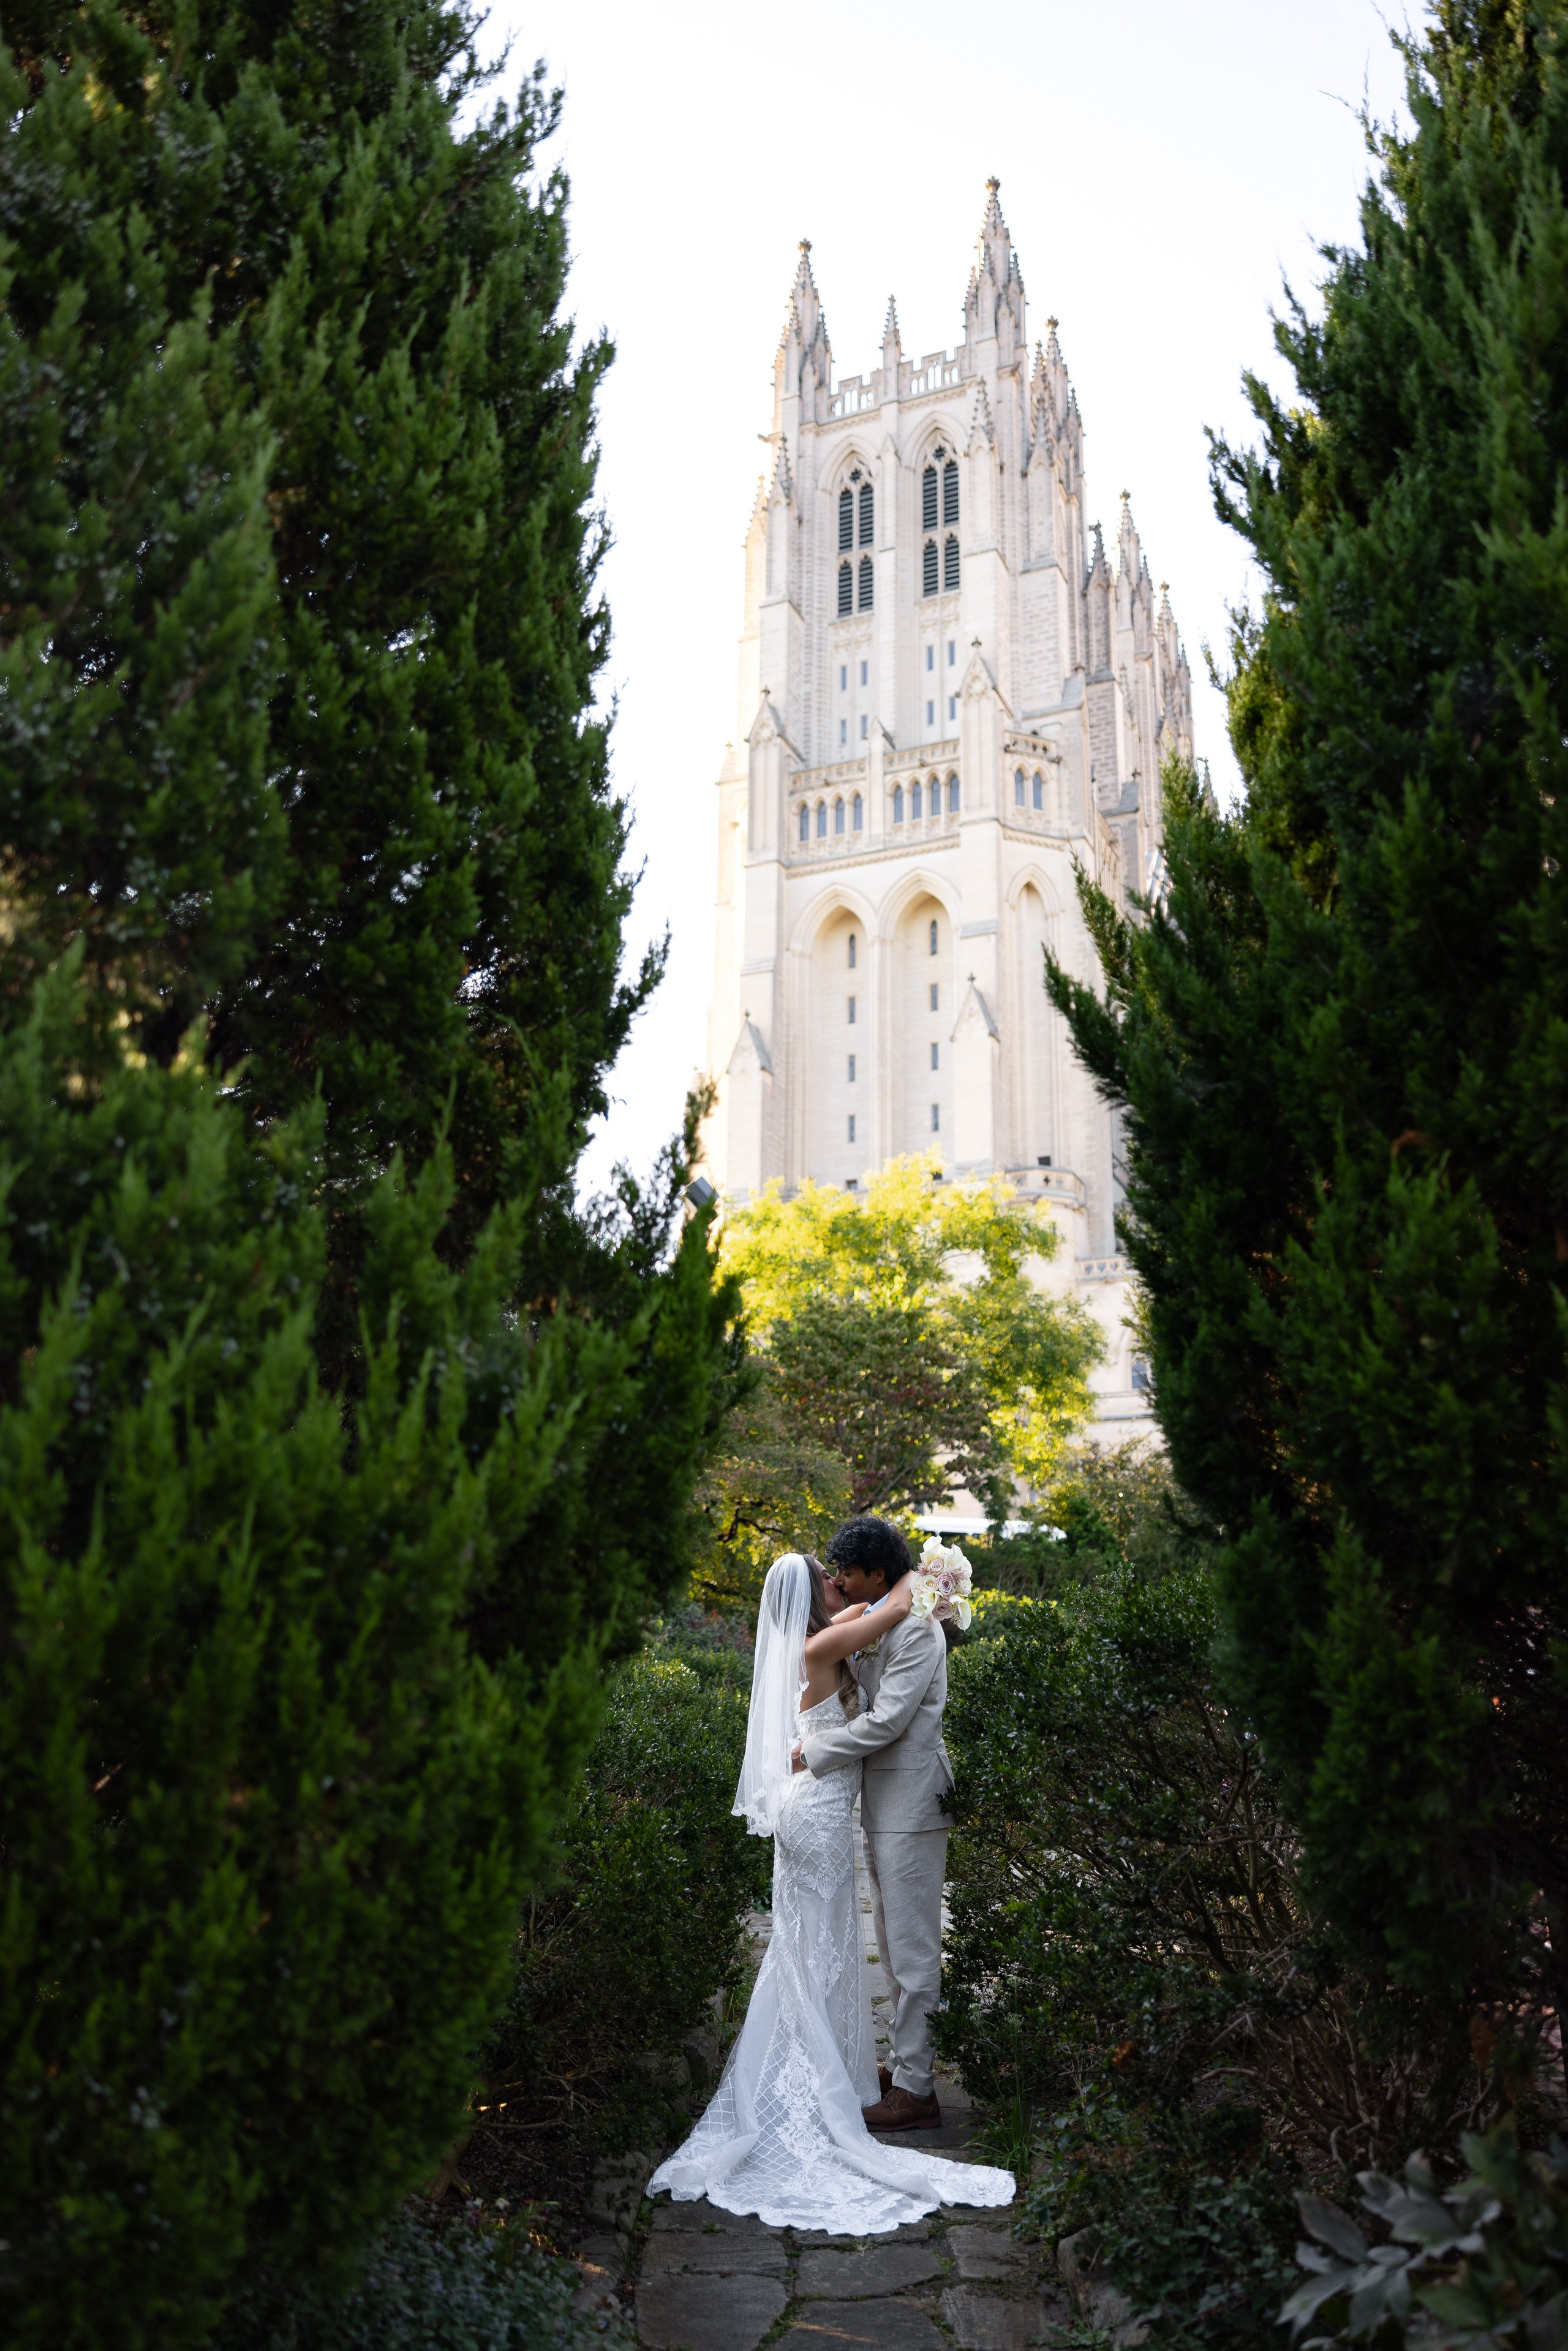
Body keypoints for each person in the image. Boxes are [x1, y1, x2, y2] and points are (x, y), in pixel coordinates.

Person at [647, 1550, 1012, 2233]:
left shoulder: (830, 1626)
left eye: (841, 1570)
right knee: (818, 1944)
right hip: (815, 1812)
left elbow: (880, 1612)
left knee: (823, 1944)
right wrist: (923, 1571)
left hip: (824, 1803)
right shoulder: (821, 1642)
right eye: (825, 1574)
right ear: (803, 1591)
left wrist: (921, 1575)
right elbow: (896, 1604)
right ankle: (820, 2067)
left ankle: (836, 2062)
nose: (836, 1581)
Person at [796, 1515, 953, 2130]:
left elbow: (888, 1722)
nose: (838, 1579)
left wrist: (813, 1754)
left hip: (912, 1802)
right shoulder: (886, 1613)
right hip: (887, 1802)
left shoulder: (914, 1630)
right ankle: (905, 2062)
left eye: (847, 1572)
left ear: (877, 1574)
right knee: (889, 1943)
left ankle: (917, 2090)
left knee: (913, 1948)